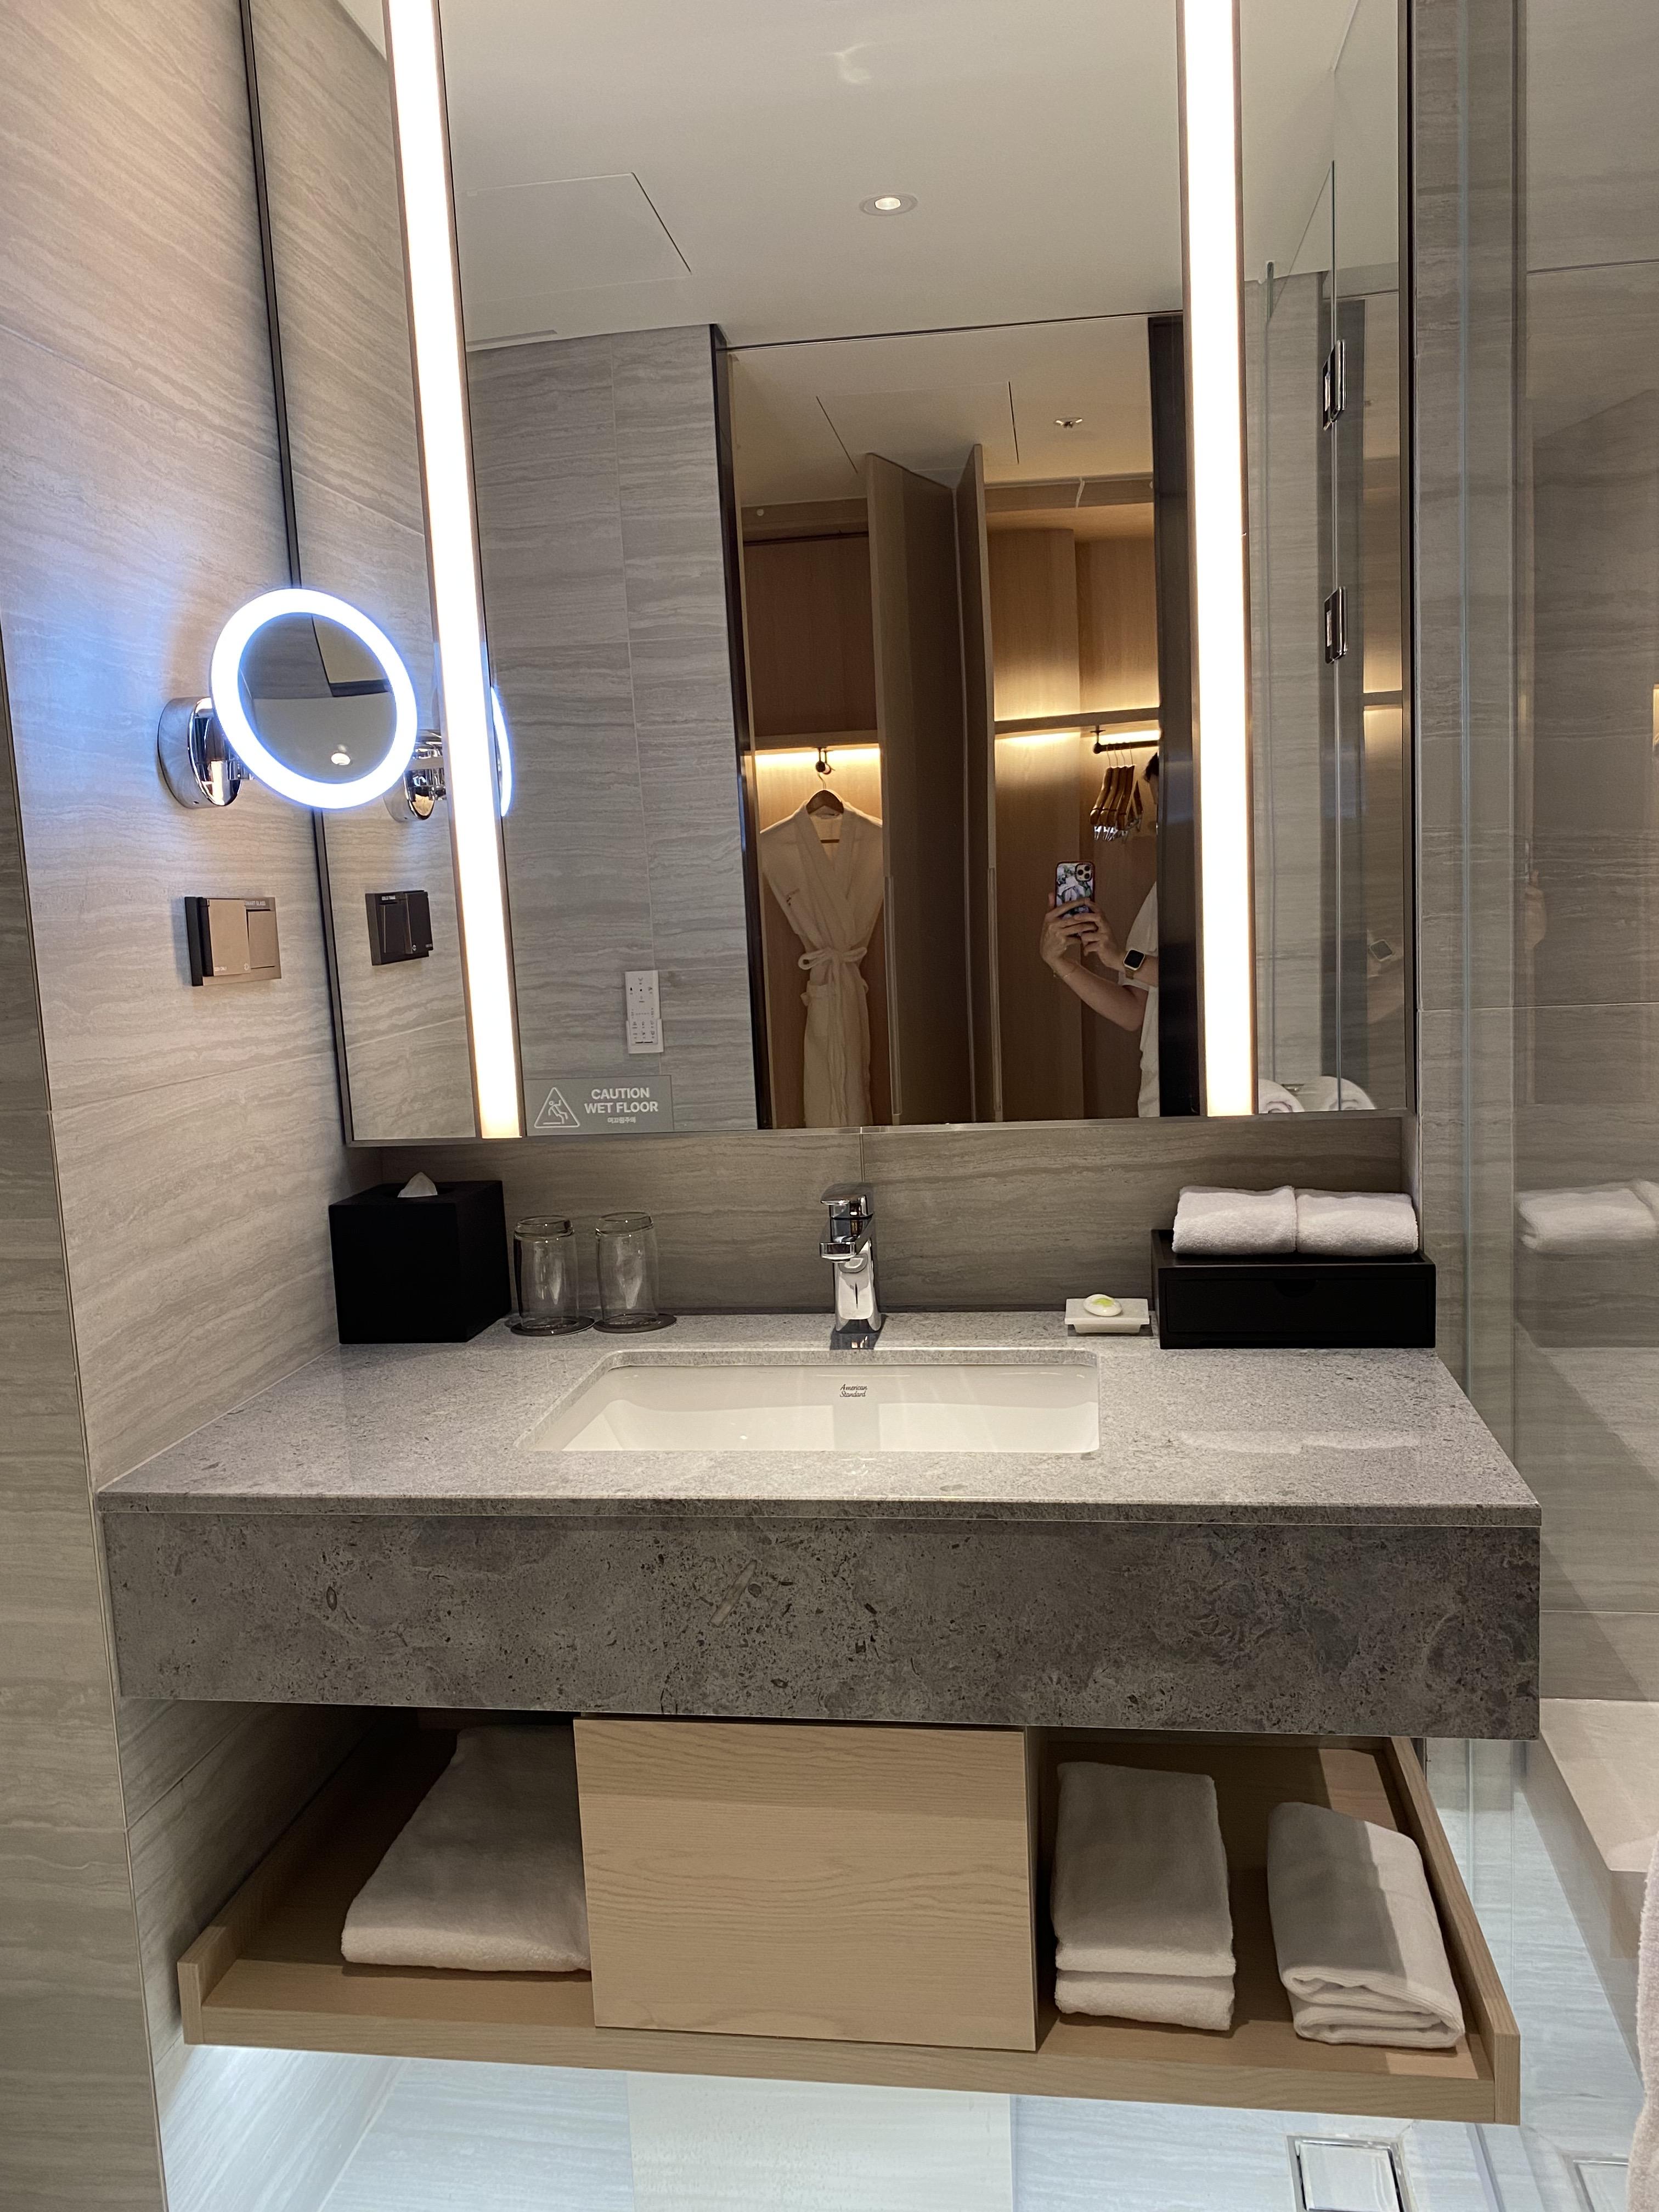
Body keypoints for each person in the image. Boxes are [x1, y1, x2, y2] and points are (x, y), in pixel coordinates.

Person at [1039, 757, 1159, 1116]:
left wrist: (1122, 959)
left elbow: (1206, 982)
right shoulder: (1162, 893)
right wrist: (1060, 963)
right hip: (1160, 1090)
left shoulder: (1235, 883)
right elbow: (1133, 1011)